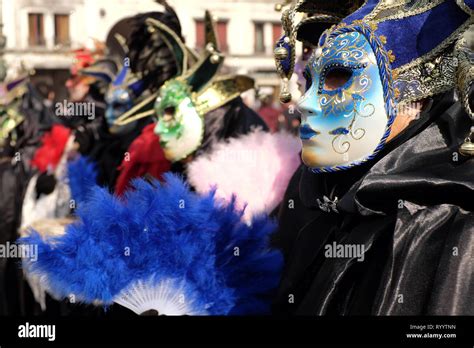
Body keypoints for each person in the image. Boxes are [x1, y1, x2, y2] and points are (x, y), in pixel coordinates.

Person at [272, 0, 474, 315]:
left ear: (417, 100)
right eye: (310, 81)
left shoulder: (457, 232)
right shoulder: (325, 205)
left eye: (338, 77)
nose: (303, 103)